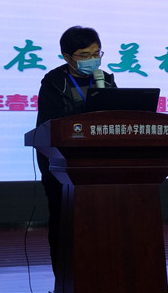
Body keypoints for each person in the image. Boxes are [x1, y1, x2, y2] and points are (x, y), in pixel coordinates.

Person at [35, 25, 116, 285]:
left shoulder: (106, 80)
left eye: (96, 53)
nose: (92, 59)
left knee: (103, 225)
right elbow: (51, 124)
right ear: (67, 57)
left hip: (101, 167)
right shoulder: (54, 82)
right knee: (65, 224)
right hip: (61, 167)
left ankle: (101, 280)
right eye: (84, 55)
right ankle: (65, 282)